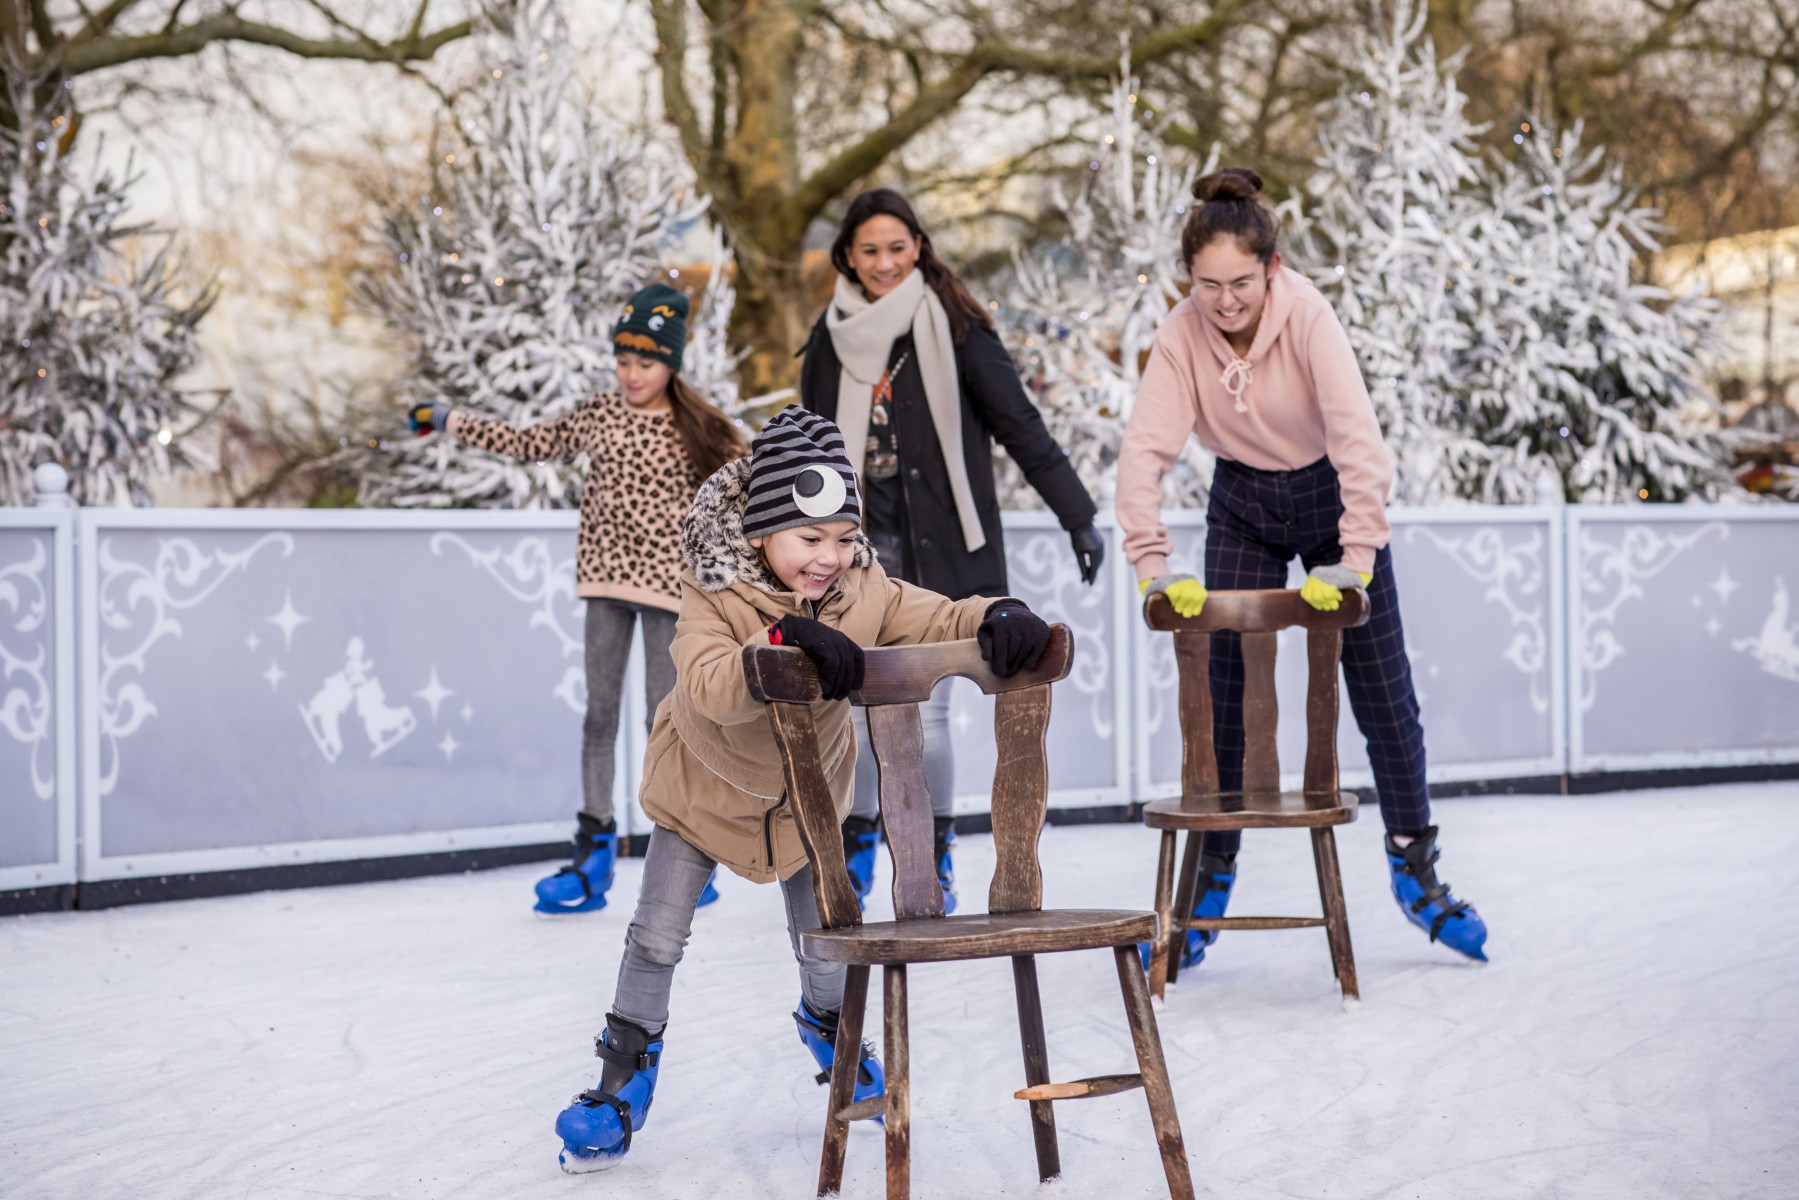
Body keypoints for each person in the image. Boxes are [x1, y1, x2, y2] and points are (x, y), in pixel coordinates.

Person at [552, 406, 1054, 1171]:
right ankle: (621, 1079)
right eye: (808, 538)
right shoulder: (713, 593)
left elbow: (939, 616)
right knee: (655, 937)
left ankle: (834, 1034)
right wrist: (781, 639)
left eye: (844, 538)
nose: (829, 557)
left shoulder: (864, 590)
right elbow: (713, 686)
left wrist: (998, 611)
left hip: (804, 805)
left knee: (824, 947)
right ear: (760, 534)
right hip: (701, 792)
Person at [1114, 167, 1488, 967]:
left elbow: (1358, 443)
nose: (1224, 301)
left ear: (1271, 268)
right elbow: (1143, 453)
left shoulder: (1308, 317)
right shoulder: (1183, 334)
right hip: (1243, 503)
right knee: (1223, 693)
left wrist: (1355, 560)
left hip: (1329, 499)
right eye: (1207, 284)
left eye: (1240, 282)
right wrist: (1151, 566)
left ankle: (1413, 863)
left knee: (1382, 690)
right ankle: (1210, 878)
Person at [800, 187, 1104, 913]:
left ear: (918, 249)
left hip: (942, 545)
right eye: (868, 250)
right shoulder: (828, 335)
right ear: (847, 254)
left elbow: (1016, 422)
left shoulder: (954, 325)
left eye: (897, 249)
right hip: (856, 549)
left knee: (925, 709)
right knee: (850, 704)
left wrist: (1077, 515)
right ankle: (859, 838)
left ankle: (929, 848)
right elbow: (806, 449)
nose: (883, 263)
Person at [408, 283, 742, 914]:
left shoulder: (694, 427)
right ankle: (593, 854)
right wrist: (449, 418)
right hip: (605, 588)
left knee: (663, 720)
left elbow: (747, 481)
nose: (631, 374)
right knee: (599, 716)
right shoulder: (599, 413)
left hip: (670, 595)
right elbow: (528, 442)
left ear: (669, 363)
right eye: (622, 361)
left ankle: (688, 847)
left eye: (644, 362)